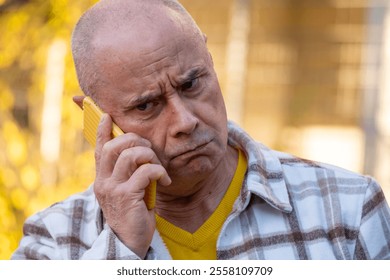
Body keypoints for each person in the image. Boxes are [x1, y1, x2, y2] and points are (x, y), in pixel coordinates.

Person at [12, 0, 390, 260]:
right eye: (146, 105)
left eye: (192, 84)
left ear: (209, 60)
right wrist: (121, 249)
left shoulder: (348, 211)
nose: (185, 121)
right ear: (95, 119)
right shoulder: (54, 242)